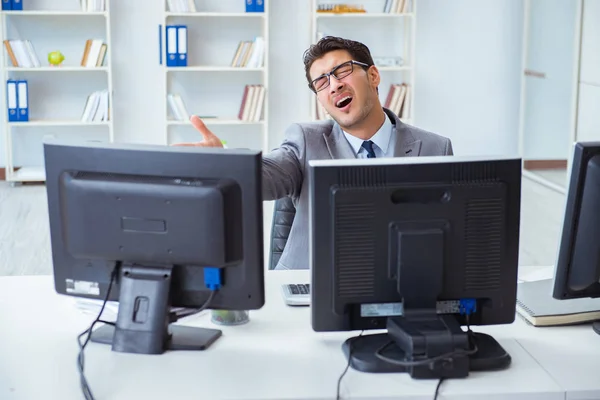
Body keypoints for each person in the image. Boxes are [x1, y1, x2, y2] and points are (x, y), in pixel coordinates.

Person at [174, 36, 453, 270]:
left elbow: (451, 234)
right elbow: (267, 174)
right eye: (321, 81)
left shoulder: (434, 148)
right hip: (309, 289)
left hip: (403, 287)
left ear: (373, 75)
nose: (334, 85)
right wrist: (223, 164)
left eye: (342, 70)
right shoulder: (306, 141)